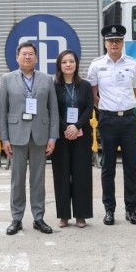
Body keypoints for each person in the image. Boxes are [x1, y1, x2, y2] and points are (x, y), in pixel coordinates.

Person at [0, 41, 58, 235]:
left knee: (38, 179)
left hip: (40, 135)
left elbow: (53, 110)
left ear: (36, 58)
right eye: (23, 54)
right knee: (17, 179)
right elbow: (2, 111)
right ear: (17, 57)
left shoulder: (46, 79)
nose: (27, 57)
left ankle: (38, 217)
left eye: (31, 54)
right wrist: (4, 139)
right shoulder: (7, 79)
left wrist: (53, 137)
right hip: (16, 136)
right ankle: (16, 218)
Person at [86, 24, 136, 225]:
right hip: (108, 119)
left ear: (122, 43)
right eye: (111, 41)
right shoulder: (97, 65)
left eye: (118, 40)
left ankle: (131, 209)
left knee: (130, 167)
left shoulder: (133, 64)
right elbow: (93, 93)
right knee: (108, 167)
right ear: (105, 43)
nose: (114, 44)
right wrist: (105, 108)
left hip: (129, 119)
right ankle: (109, 209)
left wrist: (125, 107)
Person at [51, 49, 94, 228]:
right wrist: (65, 128)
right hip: (61, 137)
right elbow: (52, 109)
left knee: (81, 175)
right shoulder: (54, 87)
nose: (68, 65)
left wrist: (76, 126)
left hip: (81, 135)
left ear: (76, 64)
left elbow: (89, 107)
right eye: (64, 62)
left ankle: (81, 215)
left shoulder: (84, 85)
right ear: (59, 66)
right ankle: (63, 215)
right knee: (61, 175)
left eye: (71, 61)